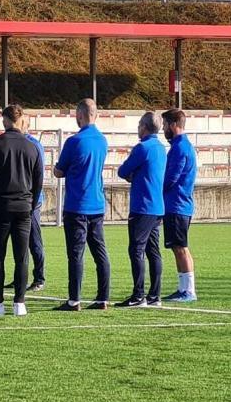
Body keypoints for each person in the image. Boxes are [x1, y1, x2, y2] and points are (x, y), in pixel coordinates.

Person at [0, 105, 42, 317]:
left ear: (5, 120)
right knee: (21, 256)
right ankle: (19, 303)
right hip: (24, 207)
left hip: (0, 206)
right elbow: (38, 182)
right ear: (21, 119)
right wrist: (31, 205)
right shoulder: (32, 146)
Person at [53, 99, 110, 311]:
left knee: (76, 254)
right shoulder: (103, 141)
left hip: (77, 205)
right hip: (97, 204)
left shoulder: (74, 142)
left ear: (79, 115)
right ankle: (103, 297)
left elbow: (60, 170)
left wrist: (58, 170)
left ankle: (74, 299)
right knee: (100, 253)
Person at [116, 112, 166, 308]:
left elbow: (123, 171)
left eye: (139, 125)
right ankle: (155, 295)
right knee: (153, 251)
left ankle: (138, 295)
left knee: (136, 249)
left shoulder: (142, 148)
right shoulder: (161, 148)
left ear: (144, 127)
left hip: (142, 206)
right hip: (157, 206)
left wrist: (133, 175)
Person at [161, 108, 198, 303]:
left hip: (177, 204)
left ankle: (189, 290)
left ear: (174, 125)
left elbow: (171, 178)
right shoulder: (182, 146)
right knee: (177, 247)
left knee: (181, 247)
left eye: (165, 125)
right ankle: (183, 288)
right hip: (179, 204)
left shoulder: (179, 148)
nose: (164, 129)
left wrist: (155, 186)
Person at [6, 114, 46, 292]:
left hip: (31, 201)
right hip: (19, 199)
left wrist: (33, 199)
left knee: (33, 240)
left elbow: (38, 174)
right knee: (18, 241)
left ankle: (39, 277)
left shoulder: (33, 144)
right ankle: (19, 277)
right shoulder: (15, 142)